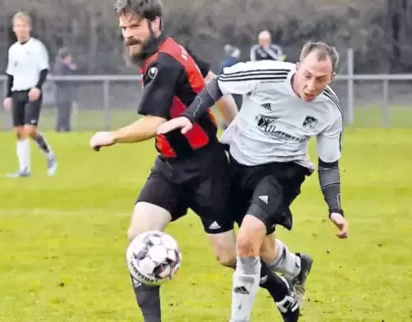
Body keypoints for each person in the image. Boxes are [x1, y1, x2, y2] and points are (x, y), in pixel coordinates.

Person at [90, 1, 304, 321]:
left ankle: (280, 291)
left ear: (155, 23)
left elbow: (153, 122)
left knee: (229, 257)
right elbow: (214, 79)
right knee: (139, 238)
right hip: (169, 166)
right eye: (124, 28)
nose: (128, 35)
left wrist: (113, 136)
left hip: (206, 169)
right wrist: (235, 125)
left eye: (134, 27)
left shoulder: (162, 63)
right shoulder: (174, 48)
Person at [157, 41, 350, 322]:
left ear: (332, 78)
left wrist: (335, 207)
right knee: (262, 248)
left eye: (321, 79)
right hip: (236, 163)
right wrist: (189, 116)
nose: (311, 85)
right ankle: (296, 266)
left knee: (246, 241)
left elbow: (329, 163)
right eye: (307, 75)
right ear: (297, 67)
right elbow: (219, 85)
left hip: (282, 172)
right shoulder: (265, 74)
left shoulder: (329, 110)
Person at [3, 11, 57, 177]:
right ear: (14, 29)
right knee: (19, 132)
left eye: (24, 25)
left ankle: (49, 155)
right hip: (17, 93)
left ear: (29, 28)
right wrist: (7, 96)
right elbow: (10, 74)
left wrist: (37, 87)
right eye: (18, 26)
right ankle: (24, 169)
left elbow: (44, 70)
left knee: (30, 130)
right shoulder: (13, 50)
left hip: (32, 92)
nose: (21, 29)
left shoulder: (36, 47)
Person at [53, 47, 77, 132]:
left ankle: (67, 129)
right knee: (62, 114)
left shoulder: (68, 67)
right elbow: (59, 80)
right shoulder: (59, 67)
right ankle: (59, 130)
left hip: (67, 95)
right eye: (69, 57)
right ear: (65, 57)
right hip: (61, 96)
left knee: (67, 114)